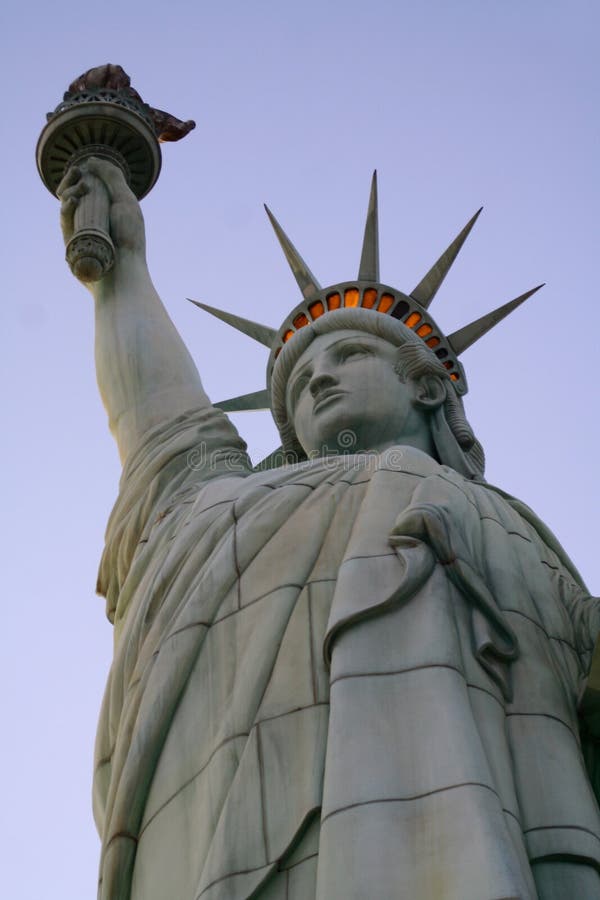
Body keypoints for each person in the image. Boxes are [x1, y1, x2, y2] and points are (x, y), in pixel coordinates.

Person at [59, 159, 600, 900]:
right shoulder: (230, 508)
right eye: (301, 378)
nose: (319, 379)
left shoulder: (514, 530)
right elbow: (157, 422)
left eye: (350, 354)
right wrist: (121, 273)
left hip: (496, 825)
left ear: (427, 384)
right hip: (244, 843)